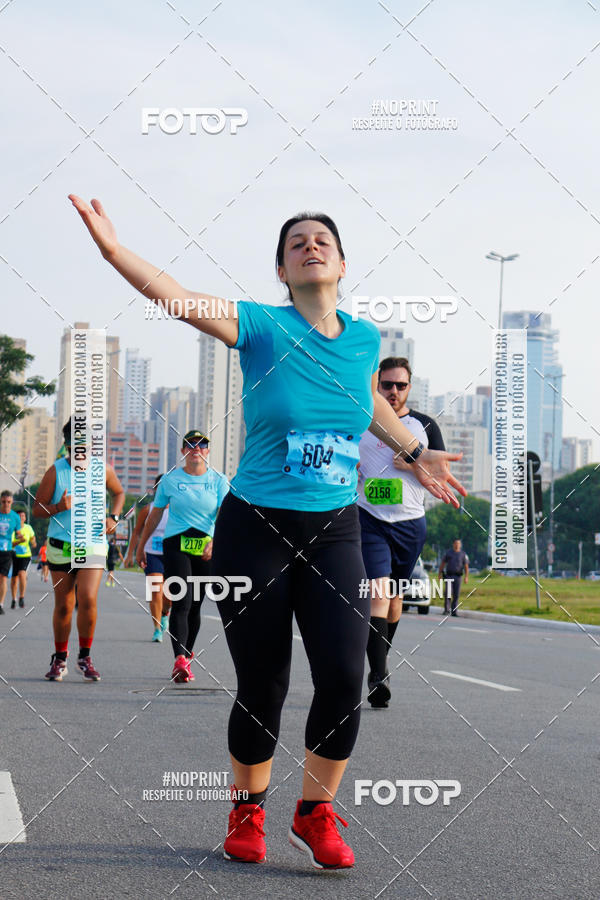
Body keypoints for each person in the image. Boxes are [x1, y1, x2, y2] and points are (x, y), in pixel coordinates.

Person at [69, 194, 465, 869]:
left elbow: (364, 399)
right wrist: (114, 251)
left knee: (343, 676)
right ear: (282, 271)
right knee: (265, 683)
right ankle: (247, 809)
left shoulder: (365, 339)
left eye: (322, 241)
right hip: (256, 525)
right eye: (296, 244)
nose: (310, 247)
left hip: (336, 527)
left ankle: (315, 814)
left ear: (342, 264)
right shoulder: (259, 327)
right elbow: (178, 297)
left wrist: (410, 448)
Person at [358, 357, 446, 709]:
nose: (393, 391)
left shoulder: (424, 425)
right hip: (369, 519)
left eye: (400, 386)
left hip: (410, 524)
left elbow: (441, 473)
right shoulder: (362, 418)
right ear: (377, 385)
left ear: (410, 388)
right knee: (378, 593)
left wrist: (414, 461)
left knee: (394, 600)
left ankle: (381, 661)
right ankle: (378, 676)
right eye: (387, 385)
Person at [33, 418, 125, 681]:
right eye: (76, 446)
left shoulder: (103, 470)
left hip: (93, 543)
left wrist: (114, 518)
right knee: (64, 605)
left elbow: (118, 493)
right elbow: (37, 510)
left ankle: (85, 657)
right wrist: (59, 507)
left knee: (88, 597)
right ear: (67, 445)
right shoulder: (56, 471)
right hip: (61, 546)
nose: (81, 452)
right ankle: (59, 658)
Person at [135, 432, 228, 679]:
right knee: (182, 601)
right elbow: (154, 515)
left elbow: (226, 515)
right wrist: (140, 546)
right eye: (190, 444)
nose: (196, 448)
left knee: (196, 606)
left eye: (202, 444)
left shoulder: (219, 480)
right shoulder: (170, 479)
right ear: (183, 451)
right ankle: (178, 658)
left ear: (208, 451)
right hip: (176, 543)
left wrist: (216, 542)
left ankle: (186, 657)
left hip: (205, 547)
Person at [124, 474, 171, 642]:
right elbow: (136, 532)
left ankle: (165, 613)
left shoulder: (178, 509)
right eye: (160, 487)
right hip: (151, 554)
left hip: (172, 554)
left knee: (169, 595)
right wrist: (131, 553)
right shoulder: (148, 509)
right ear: (156, 490)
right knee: (155, 590)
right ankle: (157, 628)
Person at [0, 491, 24, 615]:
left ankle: (1, 604)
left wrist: (21, 538)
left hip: (7, 551)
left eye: (8, 502)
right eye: (3, 502)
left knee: (3, 577)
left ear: (12, 502)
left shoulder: (15, 517)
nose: (6, 504)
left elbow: (18, 533)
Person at [11, 510, 36, 609]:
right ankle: (14, 599)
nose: (21, 517)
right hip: (13, 555)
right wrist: (19, 541)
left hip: (25, 555)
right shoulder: (13, 529)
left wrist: (33, 542)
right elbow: (11, 543)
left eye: (23, 516)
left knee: (22, 574)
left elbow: (33, 539)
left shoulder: (28, 528)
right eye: (19, 516)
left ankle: (21, 597)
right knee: (14, 579)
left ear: (25, 518)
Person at [438, 539, 469, 616]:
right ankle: (446, 610)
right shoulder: (448, 553)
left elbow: (466, 566)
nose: (457, 545)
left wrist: (466, 577)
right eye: (455, 543)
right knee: (448, 593)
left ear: (460, 545)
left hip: (458, 576)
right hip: (449, 576)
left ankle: (454, 611)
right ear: (453, 544)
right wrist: (440, 574)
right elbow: (443, 563)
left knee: (456, 594)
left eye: (458, 543)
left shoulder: (463, 554)